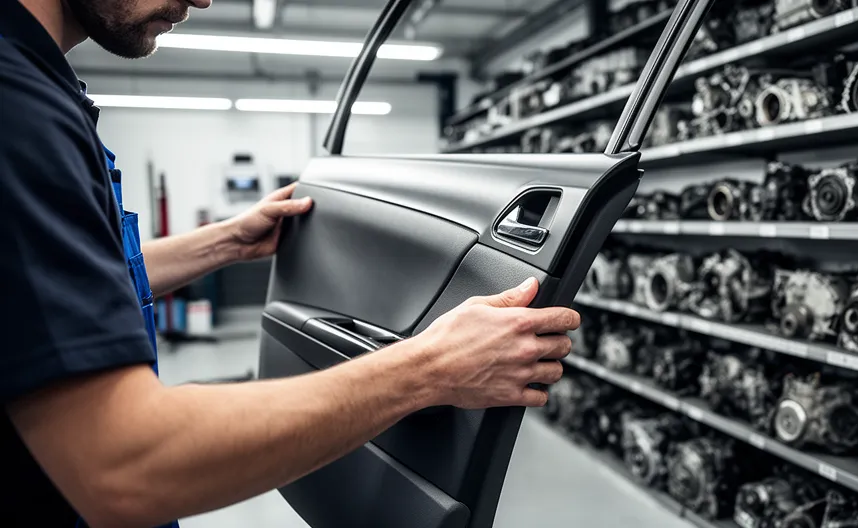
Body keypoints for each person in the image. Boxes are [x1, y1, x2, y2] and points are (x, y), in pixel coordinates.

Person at [0, 0, 579, 526]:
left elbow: (43, 297)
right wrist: (430, 368)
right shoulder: (18, 109)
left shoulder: (40, 85)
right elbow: (124, 463)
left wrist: (226, 241)